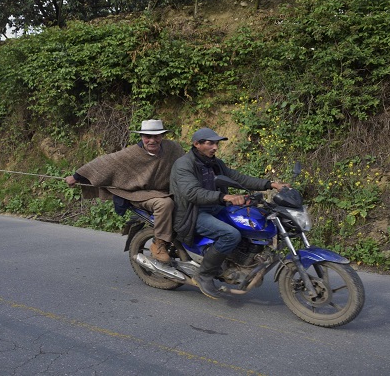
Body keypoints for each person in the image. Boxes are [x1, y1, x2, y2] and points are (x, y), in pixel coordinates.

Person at [170, 127, 288, 299]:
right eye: (210, 143)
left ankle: (236, 261)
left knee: (248, 220)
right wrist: (225, 196)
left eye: (216, 143)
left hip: (214, 206)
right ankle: (205, 275)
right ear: (197, 144)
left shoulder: (213, 163)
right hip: (192, 212)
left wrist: (270, 184)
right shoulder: (184, 164)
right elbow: (192, 193)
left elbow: (237, 178)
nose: (215, 147)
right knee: (230, 235)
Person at [65, 119, 185, 263]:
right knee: (164, 204)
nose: (152, 140)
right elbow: (103, 164)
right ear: (141, 137)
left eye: (156, 136)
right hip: (138, 194)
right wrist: (76, 177)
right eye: (148, 136)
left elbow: (187, 164)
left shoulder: (173, 149)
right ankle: (159, 244)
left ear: (162, 136)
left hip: (166, 190)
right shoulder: (131, 153)